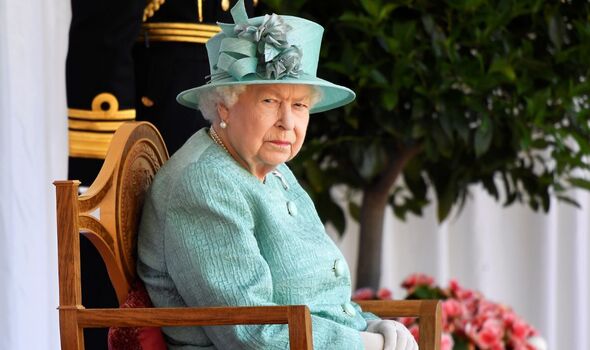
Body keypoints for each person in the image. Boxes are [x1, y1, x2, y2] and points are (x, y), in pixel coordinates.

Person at [137, 1, 418, 349]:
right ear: (224, 105)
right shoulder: (203, 184)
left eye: (299, 105)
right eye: (270, 101)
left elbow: (323, 298)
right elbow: (253, 333)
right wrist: (366, 345)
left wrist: (376, 327)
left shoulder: (272, 169)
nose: (288, 122)